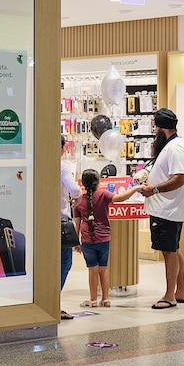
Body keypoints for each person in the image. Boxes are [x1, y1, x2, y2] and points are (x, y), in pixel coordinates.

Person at [139, 108, 184, 310]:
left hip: (167, 209)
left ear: (160, 128)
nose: (154, 132)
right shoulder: (172, 146)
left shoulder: (175, 148)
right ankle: (181, 291)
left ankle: (169, 295)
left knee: (169, 252)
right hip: (168, 209)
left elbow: (181, 177)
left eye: (155, 128)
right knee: (174, 249)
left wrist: (155, 189)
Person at [73, 168, 142, 308]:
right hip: (104, 238)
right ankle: (106, 299)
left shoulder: (79, 201)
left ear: (83, 184)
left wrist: (76, 242)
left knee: (92, 270)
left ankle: (93, 300)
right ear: (98, 182)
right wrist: (137, 187)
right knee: (103, 269)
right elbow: (121, 198)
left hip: (87, 239)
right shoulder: (104, 194)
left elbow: (77, 224)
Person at [59, 135, 81, 319]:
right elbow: (74, 190)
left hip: (40, 221)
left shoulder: (37, 165)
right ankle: (53, 303)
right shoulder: (62, 167)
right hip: (60, 223)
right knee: (64, 263)